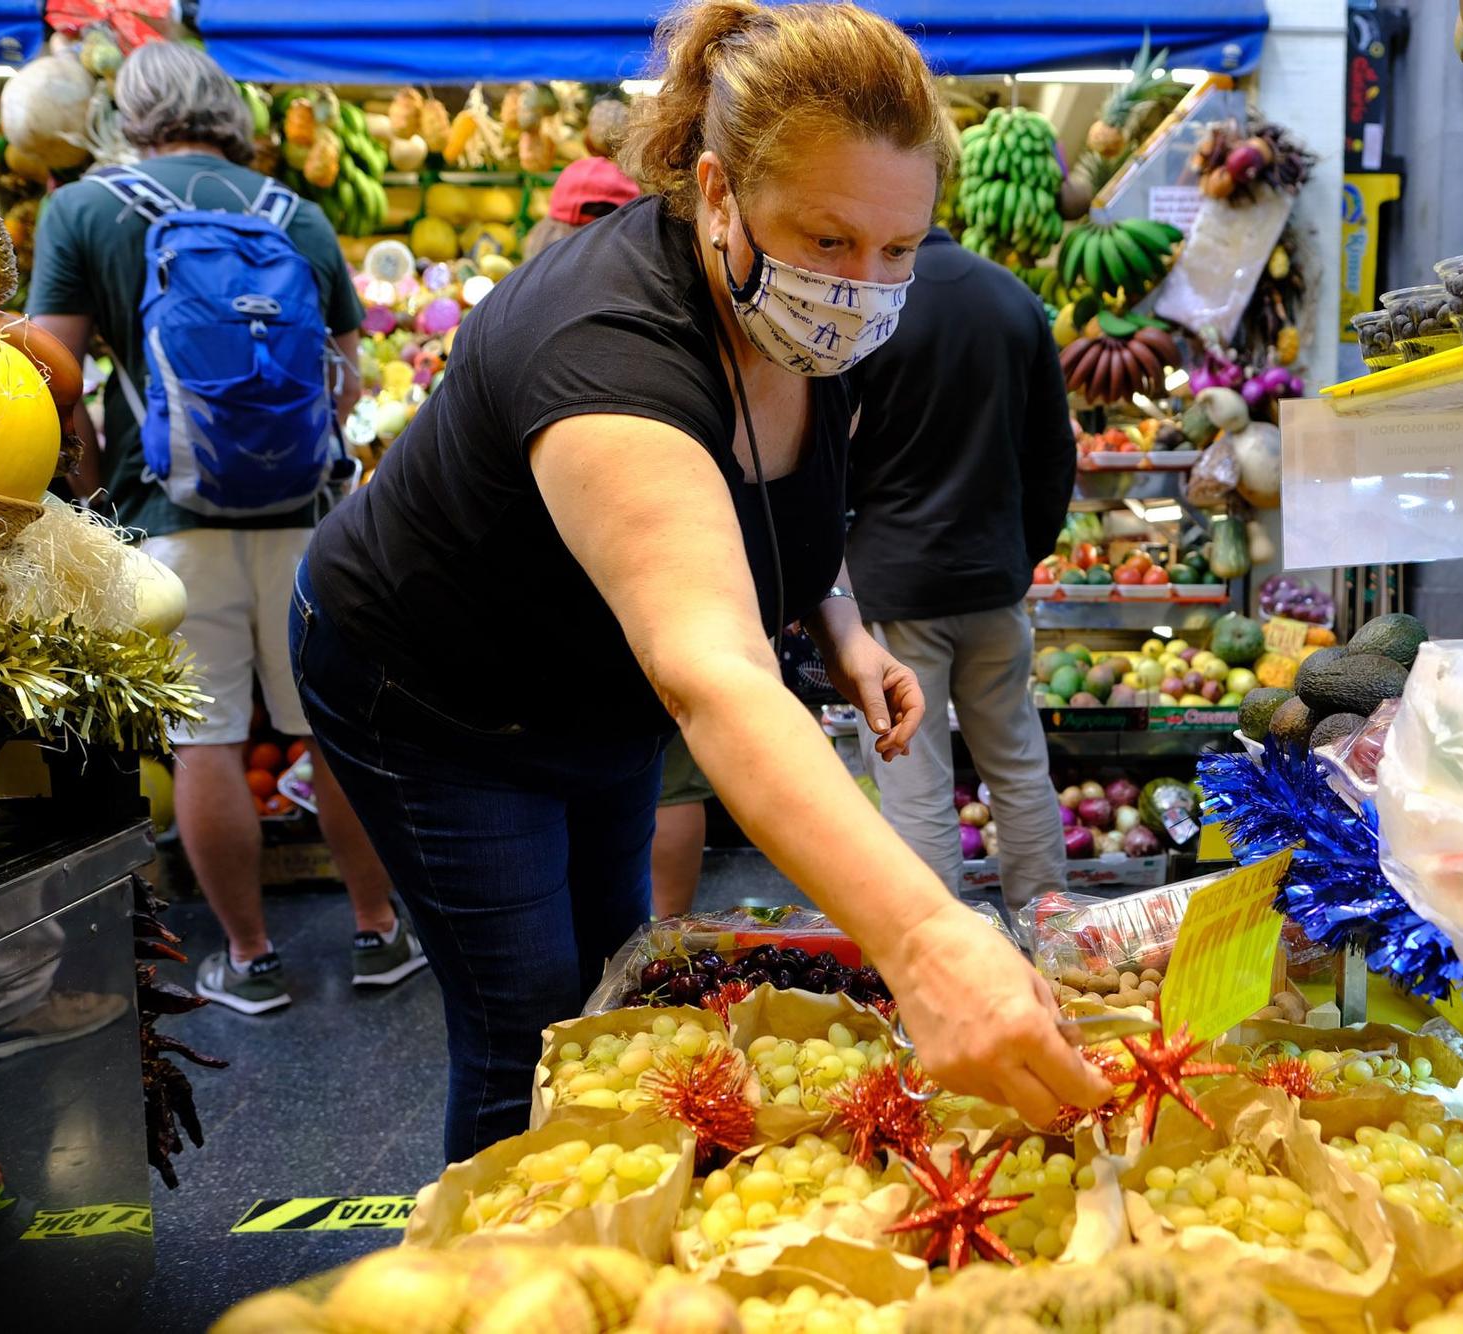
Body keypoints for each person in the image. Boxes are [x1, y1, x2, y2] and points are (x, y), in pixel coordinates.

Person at [293, 0, 1110, 1159]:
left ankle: (617, 1205)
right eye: (828, 240)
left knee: (613, 974)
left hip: (594, 681)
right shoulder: (607, 344)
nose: (865, 282)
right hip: (433, 691)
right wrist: (923, 936)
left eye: (897, 249)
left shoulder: (806, 322)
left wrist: (840, 623)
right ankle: (498, 1268)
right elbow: (711, 674)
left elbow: (789, 504)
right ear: (718, 194)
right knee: (528, 1019)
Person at [28, 42, 422, 1015]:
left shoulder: (87, 208)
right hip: (304, 522)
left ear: (133, 113)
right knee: (325, 732)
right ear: (226, 112)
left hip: (169, 517)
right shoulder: (297, 214)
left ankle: (249, 957)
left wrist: (85, 493)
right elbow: (349, 376)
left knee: (204, 741)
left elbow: (48, 379)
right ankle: (376, 932)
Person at [846, 228, 1074, 912]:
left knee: (914, 784)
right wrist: (1020, 555)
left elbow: (829, 456)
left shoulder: (870, 303)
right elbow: (1055, 455)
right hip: (994, 585)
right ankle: (1049, 942)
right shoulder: (1013, 299)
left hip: (894, 588)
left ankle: (933, 953)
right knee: (1019, 768)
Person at [520, 158, 713, 918]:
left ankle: (636, 946)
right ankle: (663, 938)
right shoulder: (667, 317)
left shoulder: (522, 305)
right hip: (657, 595)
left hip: (557, 617)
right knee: (673, 775)